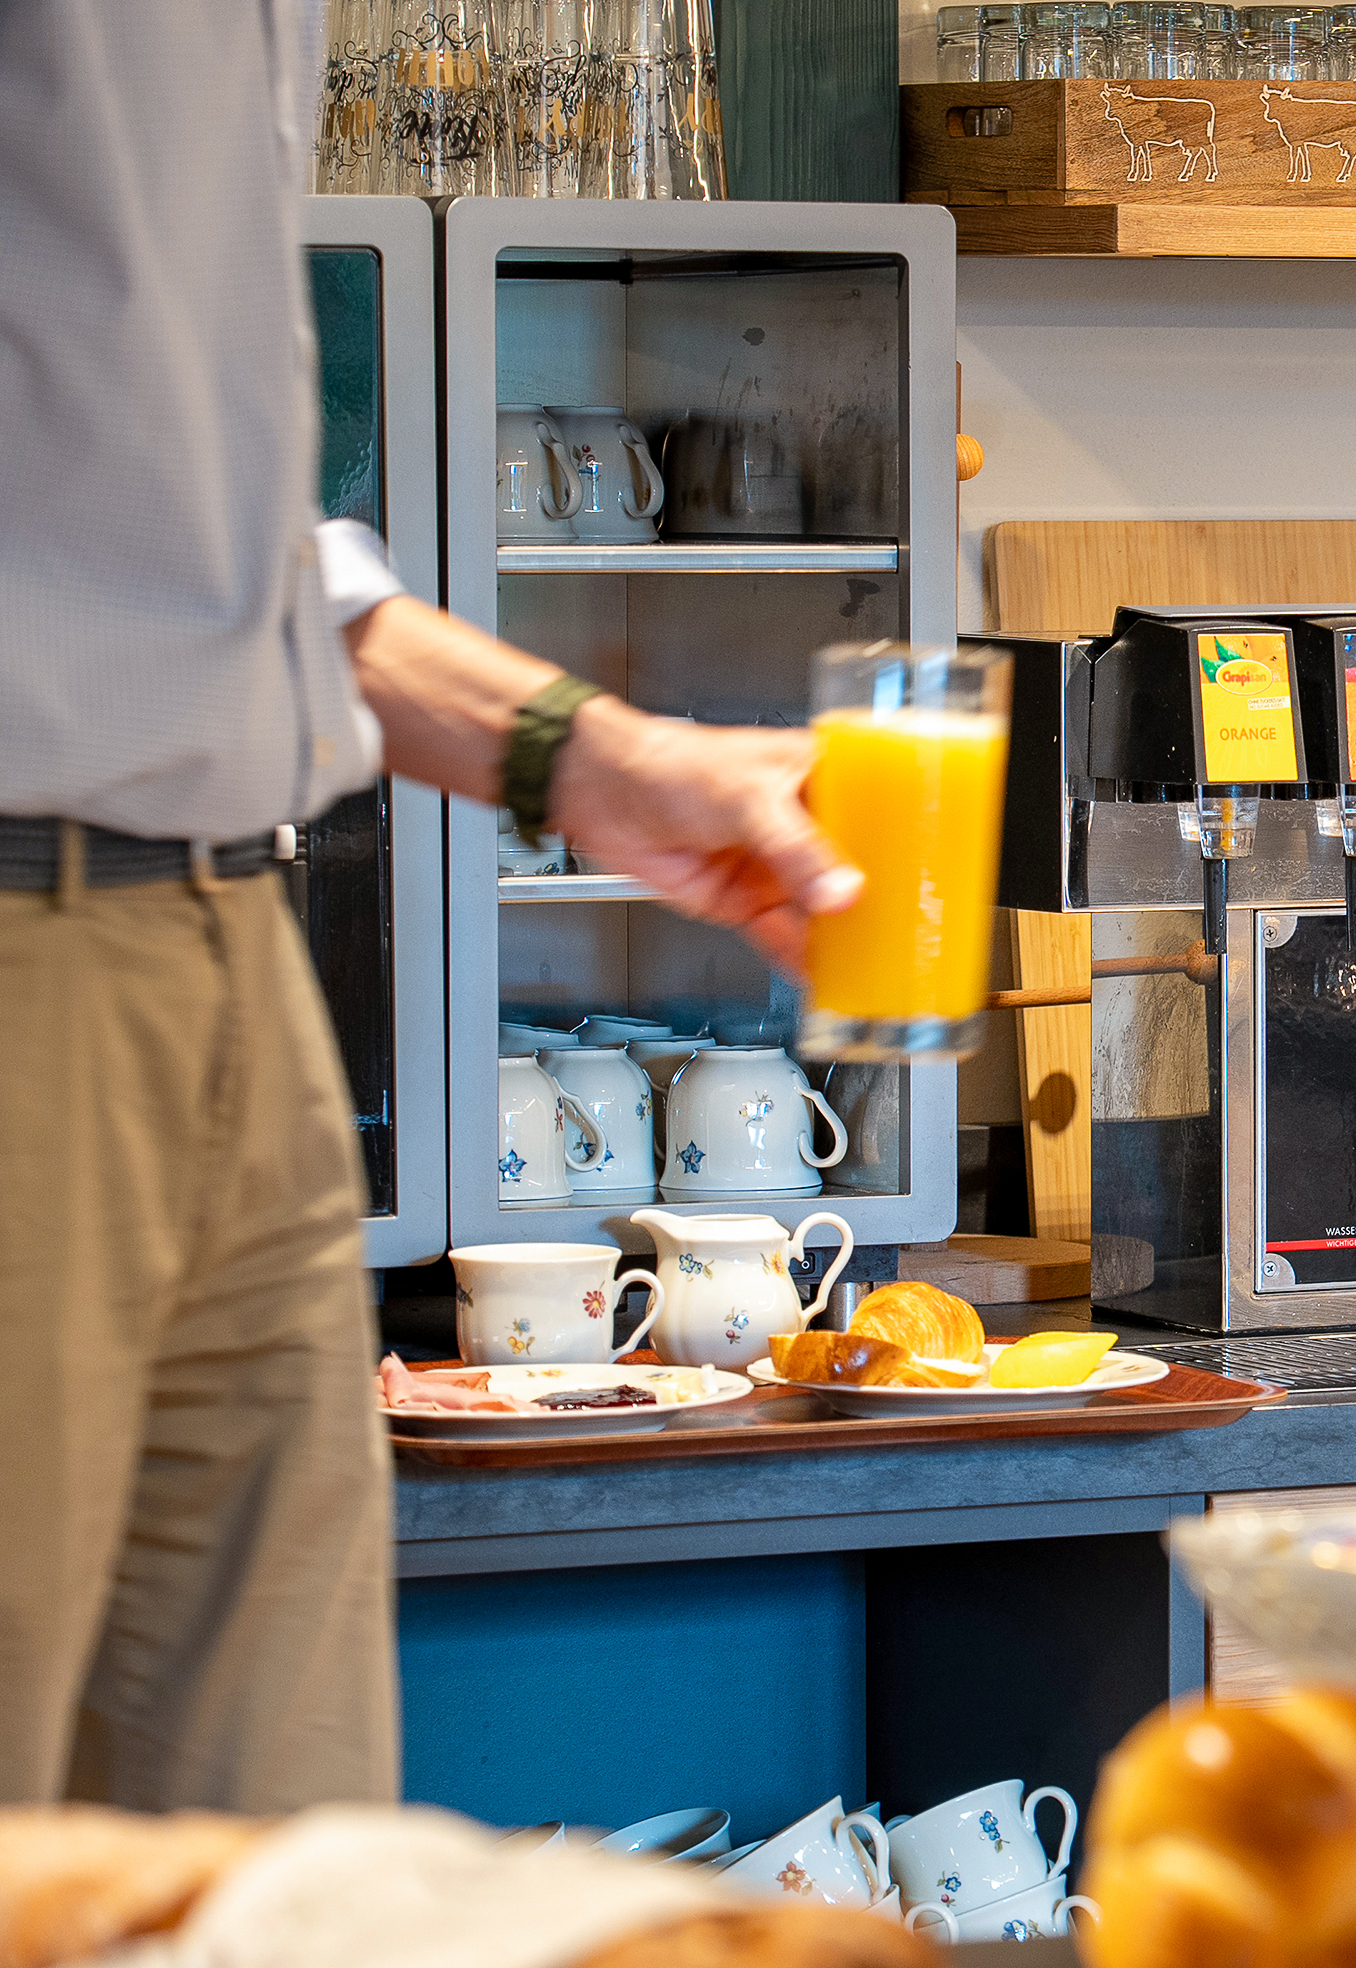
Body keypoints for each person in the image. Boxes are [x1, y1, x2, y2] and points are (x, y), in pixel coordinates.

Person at [0, 1, 857, 1810]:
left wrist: (572, 747)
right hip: (30, 946)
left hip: (224, 928)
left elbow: (166, 504)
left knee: (270, 1863)